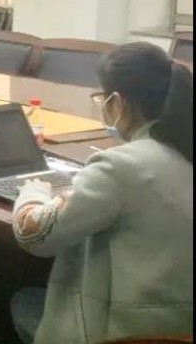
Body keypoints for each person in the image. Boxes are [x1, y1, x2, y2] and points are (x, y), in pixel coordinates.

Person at [11, 42, 193, 344]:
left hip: (125, 333)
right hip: (178, 325)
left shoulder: (121, 166)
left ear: (117, 102)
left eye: (101, 98)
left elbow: (35, 235)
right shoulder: (181, 148)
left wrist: (33, 193)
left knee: (23, 300)